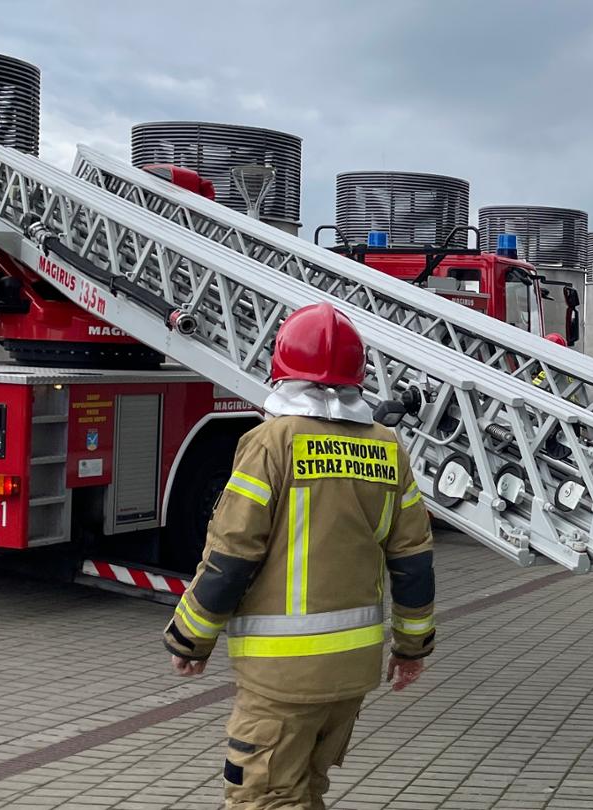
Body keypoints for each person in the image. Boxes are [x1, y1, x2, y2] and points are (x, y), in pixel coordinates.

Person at [163, 302, 436, 809]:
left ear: (282, 370)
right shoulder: (386, 448)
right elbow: (413, 559)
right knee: (306, 791)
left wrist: (190, 637)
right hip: (351, 674)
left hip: (281, 678)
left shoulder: (272, 442)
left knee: (263, 797)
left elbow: (232, 554)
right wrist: (412, 648)